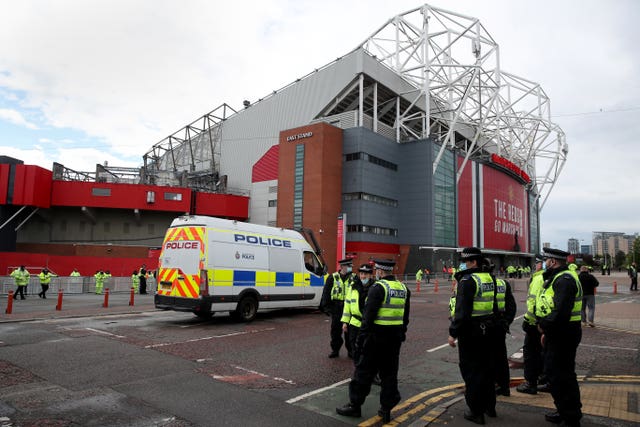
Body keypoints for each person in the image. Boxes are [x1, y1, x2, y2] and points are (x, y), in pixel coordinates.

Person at [336, 259, 410, 423]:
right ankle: (386, 409)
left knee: (362, 372)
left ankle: (355, 405)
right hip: (394, 339)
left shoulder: (378, 288)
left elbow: (367, 320)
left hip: (375, 338)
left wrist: (360, 342)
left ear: (380, 272)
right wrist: (401, 334)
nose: (376, 272)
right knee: (389, 374)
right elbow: (405, 318)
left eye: (376, 270)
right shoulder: (404, 289)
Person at [447, 247, 498, 425]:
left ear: (473, 262)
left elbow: (462, 312)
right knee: (486, 370)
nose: (463, 265)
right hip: (489, 330)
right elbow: (494, 306)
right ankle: (490, 407)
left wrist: (453, 333)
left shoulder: (468, 280)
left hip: (472, 333)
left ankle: (476, 411)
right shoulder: (489, 278)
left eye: (465, 261)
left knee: (471, 372)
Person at [536, 248, 583, 427]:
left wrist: (544, 327)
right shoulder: (561, 277)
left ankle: (570, 417)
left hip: (563, 333)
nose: (545, 263)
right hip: (560, 332)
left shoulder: (564, 280)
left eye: (547, 260)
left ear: (553, 262)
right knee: (557, 373)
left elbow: (560, 312)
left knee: (561, 375)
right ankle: (564, 411)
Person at [483, 258, 516, 397]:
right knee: (501, 358)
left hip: (485, 328)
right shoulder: (503, 283)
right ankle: (504, 387)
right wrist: (506, 322)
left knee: (486, 359)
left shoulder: (478, 284)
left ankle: (491, 387)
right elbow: (511, 306)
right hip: (500, 327)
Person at [516, 254, 546, 395]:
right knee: (543, 352)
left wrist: (530, 321)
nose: (535, 265)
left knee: (530, 353)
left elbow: (534, 303)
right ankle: (543, 378)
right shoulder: (549, 277)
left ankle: (531, 383)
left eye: (537, 263)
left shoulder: (539, 278)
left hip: (535, 323)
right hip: (545, 322)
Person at [320, 258, 354, 358]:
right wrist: (327, 308)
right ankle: (335, 350)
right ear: (342, 267)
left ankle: (351, 351)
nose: (350, 268)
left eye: (350, 266)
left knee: (350, 331)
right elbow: (326, 293)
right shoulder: (332, 277)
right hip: (337, 307)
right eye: (348, 266)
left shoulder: (354, 278)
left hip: (349, 308)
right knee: (335, 331)